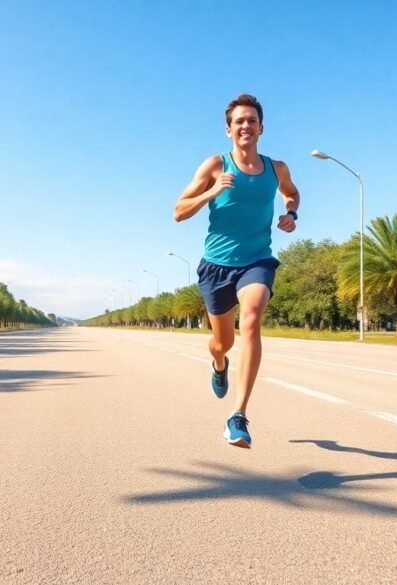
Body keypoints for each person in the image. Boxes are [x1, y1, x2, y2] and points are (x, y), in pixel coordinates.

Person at [172, 94, 300, 448]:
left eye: (252, 120)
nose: (246, 125)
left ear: (262, 127)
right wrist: (211, 191)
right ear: (229, 129)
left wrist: (292, 214)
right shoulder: (215, 165)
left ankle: (238, 415)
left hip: (257, 259)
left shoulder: (278, 169)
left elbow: (292, 194)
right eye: (239, 121)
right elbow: (178, 211)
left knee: (253, 317)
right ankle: (218, 363)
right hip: (216, 267)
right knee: (222, 342)